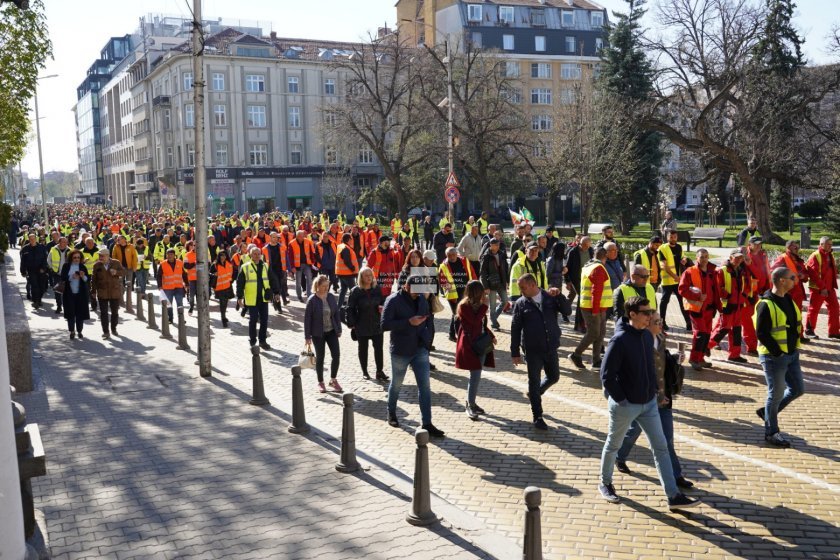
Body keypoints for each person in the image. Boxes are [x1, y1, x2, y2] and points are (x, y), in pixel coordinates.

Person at [598, 296, 699, 510]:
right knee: (613, 444)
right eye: (645, 312)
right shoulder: (619, 340)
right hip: (626, 405)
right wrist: (622, 400)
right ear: (632, 314)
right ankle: (605, 483)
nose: (650, 316)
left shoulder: (645, 336)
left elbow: (650, 369)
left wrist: (656, 393)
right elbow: (606, 375)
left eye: (650, 311)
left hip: (649, 403)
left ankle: (673, 496)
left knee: (661, 447)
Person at [614, 311, 693, 489]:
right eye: (657, 321)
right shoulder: (640, 343)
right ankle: (619, 456)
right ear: (647, 324)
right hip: (646, 399)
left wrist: (674, 358)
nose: (661, 324)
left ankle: (676, 475)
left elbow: (661, 363)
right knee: (632, 432)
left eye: (662, 320)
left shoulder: (660, 338)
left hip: (664, 399)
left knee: (667, 439)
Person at [381, 275, 443, 437]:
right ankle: (391, 412)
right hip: (401, 350)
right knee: (396, 384)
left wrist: (427, 340)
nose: (418, 294)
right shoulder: (393, 300)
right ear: (406, 287)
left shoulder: (422, 298)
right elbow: (384, 324)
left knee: (425, 387)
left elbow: (427, 318)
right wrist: (408, 322)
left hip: (420, 348)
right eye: (416, 291)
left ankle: (427, 423)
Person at [510, 273, 572, 430]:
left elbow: (568, 311)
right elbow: (515, 329)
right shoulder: (520, 303)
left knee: (554, 376)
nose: (521, 291)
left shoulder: (550, 297)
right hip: (532, 350)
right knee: (533, 381)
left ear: (532, 285)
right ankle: (537, 416)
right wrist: (515, 351)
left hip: (551, 347)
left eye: (523, 287)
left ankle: (535, 393)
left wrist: (560, 296)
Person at [754, 267, 805, 447]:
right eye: (792, 278)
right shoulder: (765, 304)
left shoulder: (789, 299)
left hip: (792, 354)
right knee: (775, 394)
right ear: (782, 280)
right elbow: (761, 333)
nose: (795, 280)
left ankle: (767, 413)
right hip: (774, 357)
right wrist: (778, 352)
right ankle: (771, 432)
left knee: (798, 389)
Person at [456, 280, 496, 420]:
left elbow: (481, 324)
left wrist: (491, 336)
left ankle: (472, 402)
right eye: (481, 292)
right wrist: (485, 307)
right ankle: (470, 404)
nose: (484, 295)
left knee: (476, 375)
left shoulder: (479, 305)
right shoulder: (464, 306)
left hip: (480, 344)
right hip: (469, 345)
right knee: (475, 374)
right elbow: (474, 321)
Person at [569, 247, 612, 370]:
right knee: (594, 333)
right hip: (593, 307)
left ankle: (596, 360)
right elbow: (596, 291)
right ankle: (576, 355)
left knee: (600, 333)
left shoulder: (589, 266)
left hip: (595, 306)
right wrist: (595, 310)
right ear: (606, 256)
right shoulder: (598, 268)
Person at [678, 249, 719, 370]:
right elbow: (682, 290)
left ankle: (700, 358)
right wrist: (697, 296)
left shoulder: (712, 272)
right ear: (697, 258)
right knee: (700, 334)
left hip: (709, 309)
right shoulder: (690, 272)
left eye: (706, 257)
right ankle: (694, 359)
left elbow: (715, 290)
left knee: (706, 334)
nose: (704, 259)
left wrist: (718, 306)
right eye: (702, 257)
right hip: (697, 308)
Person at [708, 250, 751, 364]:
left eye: (741, 258)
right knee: (723, 329)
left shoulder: (741, 270)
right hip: (727, 304)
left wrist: (743, 296)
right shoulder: (722, 270)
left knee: (736, 330)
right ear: (731, 257)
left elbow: (746, 285)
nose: (739, 260)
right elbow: (718, 287)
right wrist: (729, 296)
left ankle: (734, 354)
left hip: (738, 304)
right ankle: (707, 347)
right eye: (737, 258)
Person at [347, 267, 388, 382]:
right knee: (363, 349)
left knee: (379, 349)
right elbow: (350, 308)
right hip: (361, 324)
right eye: (366, 275)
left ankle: (379, 371)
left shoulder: (377, 289)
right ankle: (365, 371)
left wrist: (382, 307)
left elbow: (383, 302)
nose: (369, 277)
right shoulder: (356, 291)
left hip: (376, 324)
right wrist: (352, 323)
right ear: (361, 277)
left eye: (370, 275)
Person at [304, 275, 343, 393]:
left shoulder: (330, 297)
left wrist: (339, 328)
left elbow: (336, 313)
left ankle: (333, 380)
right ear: (317, 286)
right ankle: (320, 382)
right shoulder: (312, 300)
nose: (326, 288)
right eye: (324, 286)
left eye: (328, 286)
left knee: (336, 355)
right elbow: (307, 319)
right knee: (320, 358)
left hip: (331, 331)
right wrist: (307, 336)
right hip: (318, 334)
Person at [236, 246, 280, 349]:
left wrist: (277, 292)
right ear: (250, 255)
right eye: (254, 254)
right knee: (253, 320)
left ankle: (262, 341)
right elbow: (240, 283)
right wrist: (239, 297)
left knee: (264, 320)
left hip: (264, 298)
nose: (257, 256)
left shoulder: (265, 266)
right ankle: (252, 341)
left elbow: (272, 279)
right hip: (252, 299)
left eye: (258, 254)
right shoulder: (245, 267)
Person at [772, 240, 810, 343]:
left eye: (798, 247)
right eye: (795, 248)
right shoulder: (782, 258)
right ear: (788, 248)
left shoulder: (799, 260)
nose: (797, 249)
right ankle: (789, 336)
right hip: (787, 292)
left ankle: (799, 335)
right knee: (787, 315)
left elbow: (805, 274)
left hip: (797, 292)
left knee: (798, 315)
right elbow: (774, 273)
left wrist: (803, 276)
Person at [805, 237, 839, 339]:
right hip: (818, 289)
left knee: (835, 308)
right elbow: (813, 274)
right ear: (821, 244)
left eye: (831, 244)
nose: (830, 246)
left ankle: (833, 332)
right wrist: (822, 287)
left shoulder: (829, 254)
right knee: (814, 309)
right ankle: (809, 331)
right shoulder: (815, 255)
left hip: (829, 288)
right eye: (828, 244)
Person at [742, 236, 772, 354]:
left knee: (755, 320)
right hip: (748, 294)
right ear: (750, 244)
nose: (759, 246)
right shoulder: (746, 256)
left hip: (760, 292)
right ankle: (751, 347)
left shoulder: (762, 255)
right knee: (745, 321)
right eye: (756, 244)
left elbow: (766, 272)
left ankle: (753, 346)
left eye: (760, 244)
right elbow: (755, 272)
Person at [439, 246, 476, 340]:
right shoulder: (443, 266)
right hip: (453, 295)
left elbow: (472, 273)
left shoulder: (464, 260)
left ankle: (451, 335)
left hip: (466, 291)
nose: (452, 257)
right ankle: (460, 337)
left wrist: (475, 286)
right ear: (446, 255)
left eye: (453, 254)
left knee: (457, 313)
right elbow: (443, 282)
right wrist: (451, 295)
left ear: (457, 254)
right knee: (457, 314)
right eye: (449, 255)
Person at [658, 229, 692, 331]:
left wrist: (685, 259)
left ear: (677, 237)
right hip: (668, 282)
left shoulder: (679, 247)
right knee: (664, 302)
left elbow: (683, 256)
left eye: (675, 237)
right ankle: (662, 322)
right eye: (671, 237)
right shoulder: (662, 248)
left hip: (678, 281)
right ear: (667, 237)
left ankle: (688, 323)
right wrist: (674, 276)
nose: (673, 239)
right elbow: (664, 266)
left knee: (682, 302)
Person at [90, 248, 126, 339]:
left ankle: (114, 328)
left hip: (114, 292)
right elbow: (93, 280)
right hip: (102, 292)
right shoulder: (97, 265)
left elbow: (123, 272)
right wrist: (93, 291)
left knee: (115, 312)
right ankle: (106, 331)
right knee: (103, 313)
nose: (100, 257)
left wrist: (116, 272)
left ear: (107, 255)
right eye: (99, 256)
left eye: (102, 256)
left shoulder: (116, 262)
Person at [59, 249, 91, 339]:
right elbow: (63, 278)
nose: (76, 259)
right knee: (70, 314)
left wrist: (82, 276)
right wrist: (71, 277)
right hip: (69, 294)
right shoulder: (66, 266)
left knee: (80, 314)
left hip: (81, 294)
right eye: (75, 257)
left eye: (78, 257)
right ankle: (72, 331)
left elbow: (86, 280)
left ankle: (80, 331)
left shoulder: (82, 267)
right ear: (71, 258)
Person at [479, 238, 509, 329]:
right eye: (495, 245)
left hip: (501, 281)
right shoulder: (486, 256)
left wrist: (506, 281)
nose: (497, 247)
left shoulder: (502, 254)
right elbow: (482, 272)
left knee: (505, 301)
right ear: (490, 245)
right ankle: (494, 323)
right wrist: (485, 286)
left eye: (498, 245)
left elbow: (506, 269)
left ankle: (493, 317)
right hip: (491, 283)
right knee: (492, 305)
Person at [565, 235, 593, 332]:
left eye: (587, 245)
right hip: (576, 279)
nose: (585, 247)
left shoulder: (591, 250)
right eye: (583, 245)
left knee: (582, 300)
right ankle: (581, 324)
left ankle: (579, 324)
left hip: (588, 279)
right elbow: (567, 267)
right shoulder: (573, 252)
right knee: (582, 298)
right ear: (580, 243)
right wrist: (567, 281)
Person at [156, 248, 187, 324]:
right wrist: (159, 286)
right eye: (168, 254)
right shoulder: (163, 264)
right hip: (167, 288)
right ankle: (170, 318)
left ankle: (181, 319)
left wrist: (187, 283)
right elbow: (158, 276)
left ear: (174, 255)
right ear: (166, 255)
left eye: (171, 254)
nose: (170, 256)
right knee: (169, 305)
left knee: (180, 304)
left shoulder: (180, 263)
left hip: (178, 287)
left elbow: (184, 274)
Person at [20, 233, 48, 309]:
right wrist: (23, 271)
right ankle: (36, 301)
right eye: (30, 239)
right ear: (29, 239)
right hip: (31, 270)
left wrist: (44, 268)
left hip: (41, 270)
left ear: (36, 239)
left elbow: (45, 259)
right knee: (34, 286)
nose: (32, 240)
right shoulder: (25, 248)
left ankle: (39, 299)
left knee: (42, 287)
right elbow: (23, 261)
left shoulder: (42, 247)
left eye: (33, 238)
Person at [288, 229, 315, 302]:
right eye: (299, 236)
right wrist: (292, 267)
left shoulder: (308, 242)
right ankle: (299, 296)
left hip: (307, 264)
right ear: (296, 236)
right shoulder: (292, 243)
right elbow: (290, 256)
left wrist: (312, 262)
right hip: (297, 266)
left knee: (309, 279)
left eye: (302, 236)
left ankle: (309, 296)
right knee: (298, 282)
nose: (301, 237)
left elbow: (312, 252)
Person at [211, 251, 234, 327]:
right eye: (221, 255)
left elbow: (232, 274)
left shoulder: (229, 264)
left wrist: (231, 281)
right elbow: (209, 274)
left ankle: (223, 316)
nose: (223, 257)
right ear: (219, 256)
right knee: (222, 303)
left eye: (224, 255)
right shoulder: (215, 265)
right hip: (219, 287)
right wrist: (214, 274)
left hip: (227, 286)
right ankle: (223, 318)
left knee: (226, 303)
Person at [336, 233, 359, 310]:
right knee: (354, 291)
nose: (352, 241)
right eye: (351, 239)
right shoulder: (345, 248)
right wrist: (353, 269)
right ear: (349, 239)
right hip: (347, 274)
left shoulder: (340, 246)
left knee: (343, 291)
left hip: (341, 273)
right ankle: (353, 308)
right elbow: (347, 261)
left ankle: (338, 308)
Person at [47, 237, 70, 314]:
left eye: (66, 242)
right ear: (59, 242)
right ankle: (59, 306)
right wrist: (52, 268)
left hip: (67, 274)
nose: (64, 243)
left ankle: (66, 307)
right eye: (63, 242)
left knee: (66, 292)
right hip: (56, 273)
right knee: (57, 291)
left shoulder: (70, 250)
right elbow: (48, 260)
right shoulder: (53, 249)